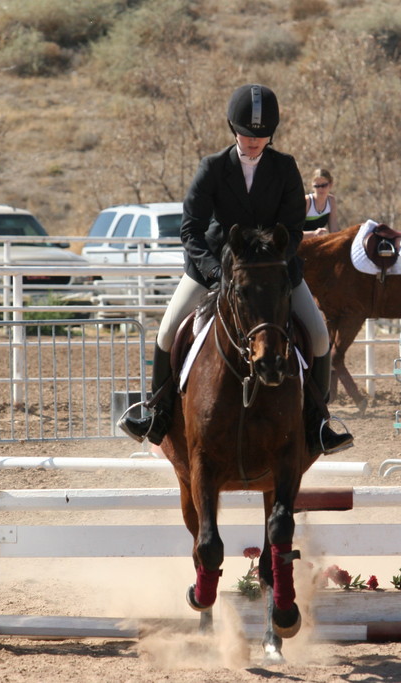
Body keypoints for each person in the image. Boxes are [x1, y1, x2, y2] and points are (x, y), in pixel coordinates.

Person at [118, 84, 353, 456]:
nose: (254, 141)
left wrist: (275, 265)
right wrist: (214, 272)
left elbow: (292, 229)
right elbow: (190, 228)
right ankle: (157, 413)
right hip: (214, 268)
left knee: (320, 337)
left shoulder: (284, 167)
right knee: (166, 332)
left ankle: (319, 422)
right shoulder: (213, 167)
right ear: (233, 129)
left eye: (261, 135)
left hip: (274, 275)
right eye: (246, 133)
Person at [303, 168, 340, 237]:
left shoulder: (331, 200)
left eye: (324, 185)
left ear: (330, 184)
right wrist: (313, 234)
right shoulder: (307, 201)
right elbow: (294, 232)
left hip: (317, 243)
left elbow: (334, 230)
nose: (320, 189)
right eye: (317, 186)